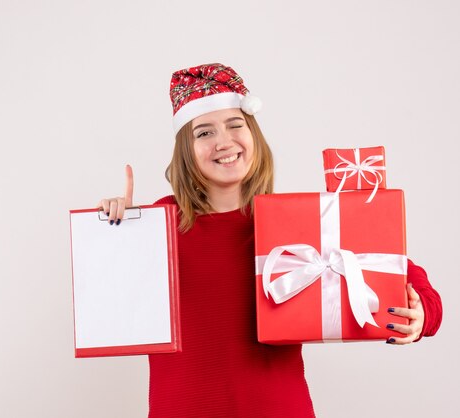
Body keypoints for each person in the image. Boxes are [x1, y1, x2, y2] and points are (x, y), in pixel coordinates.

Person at [98, 63, 443, 417]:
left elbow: (397, 269)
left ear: (254, 137)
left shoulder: (293, 222)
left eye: (236, 125)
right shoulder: (163, 223)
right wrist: (114, 232)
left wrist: (422, 314)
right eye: (203, 133)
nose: (224, 142)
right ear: (185, 151)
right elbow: (111, 299)